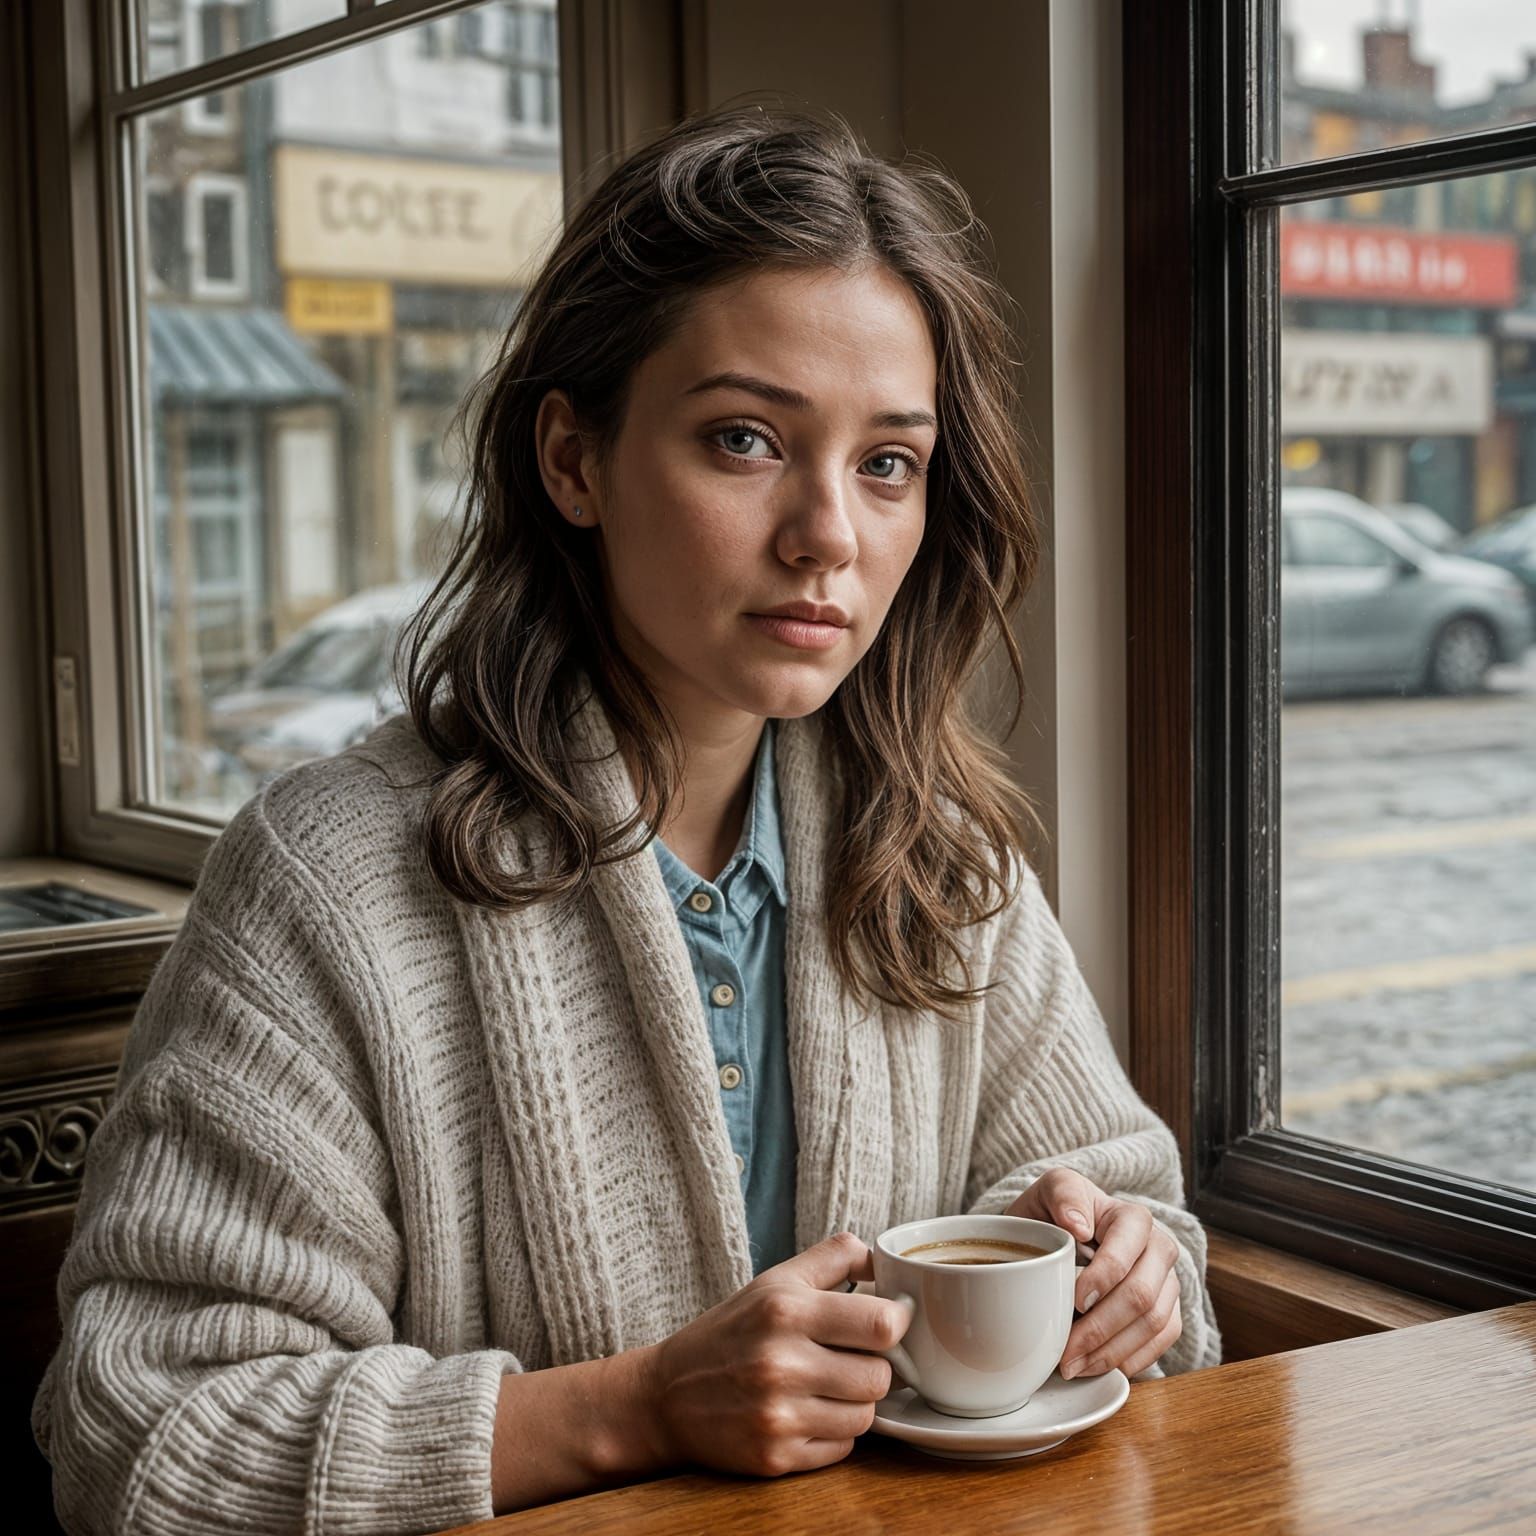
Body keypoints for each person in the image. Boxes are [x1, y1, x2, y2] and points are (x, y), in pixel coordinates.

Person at [32, 99, 1221, 1535]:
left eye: (887, 463)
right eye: (743, 439)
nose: (828, 534)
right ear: (573, 460)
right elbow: (146, 1434)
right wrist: (637, 1407)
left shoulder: (941, 860)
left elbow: (1143, 1230)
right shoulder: (328, 880)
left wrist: (1134, 1275)